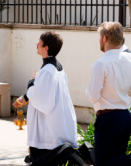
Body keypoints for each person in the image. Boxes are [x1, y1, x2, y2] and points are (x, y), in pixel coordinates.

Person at [85, 22, 131, 166]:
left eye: (99, 37)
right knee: (116, 161)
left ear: (104, 38)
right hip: (124, 117)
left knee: (103, 162)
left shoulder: (100, 64)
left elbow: (92, 97)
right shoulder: (129, 60)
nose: (99, 40)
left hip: (108, 118)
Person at [13, 31, 82, 166]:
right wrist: (26, 95)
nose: (37, 44)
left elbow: (42, 100)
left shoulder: (48, 71)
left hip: (47, 127)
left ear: (46, 48)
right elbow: (42, 92)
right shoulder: (55, 67)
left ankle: (71, 156)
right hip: (56, 120)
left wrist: (31, 83)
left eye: (40, 42)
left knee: (44, 158)